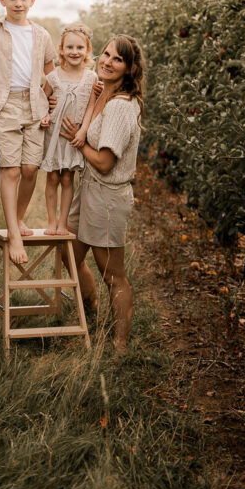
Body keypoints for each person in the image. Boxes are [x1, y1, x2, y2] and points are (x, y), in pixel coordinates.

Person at [61, 34, 145, 354]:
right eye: (106, 54)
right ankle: (91, 307)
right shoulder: (105, 94)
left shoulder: (122, 107)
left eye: (118, 59)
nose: (108, 61)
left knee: (112, 273)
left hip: (108, 195)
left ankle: (119, 343)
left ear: (129, 68)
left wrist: (80, 144)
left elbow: (107, 163)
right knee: (68, 253)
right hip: (88, 189)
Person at [0, 0, 56, 265]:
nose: (18, 3)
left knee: (30, 168)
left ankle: (19, 218)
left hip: (34, 103)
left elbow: (51, 73)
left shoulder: (42, 35)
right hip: (6, 102)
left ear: (32, 0)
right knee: (10, 170)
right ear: (2, 0)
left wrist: (54, 102)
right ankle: (13, 233)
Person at [40, 24, 99, 235]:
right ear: (61, 50)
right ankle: (51, 222)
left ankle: (63, 223)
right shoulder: (53, 77)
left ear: (87, 51)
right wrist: (45, 115)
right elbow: (43, 100)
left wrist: (83, 131)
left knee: (67, 178)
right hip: (55, 133)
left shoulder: (91, 78)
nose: (75, 52)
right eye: (70, 47)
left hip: (73, 134)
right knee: (53, 177)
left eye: (80, 48)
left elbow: (91, 106)